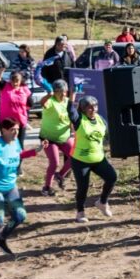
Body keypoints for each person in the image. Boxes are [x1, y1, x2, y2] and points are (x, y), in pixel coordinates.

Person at [0, 119, 42, 265]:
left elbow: (19, 155)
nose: (16, 132)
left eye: (17, 129)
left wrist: (36, 150)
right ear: (3, 130)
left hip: (10, 186)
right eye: (12, 129)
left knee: (20, 216)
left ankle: (0, 239)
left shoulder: (15, 142)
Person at [69, 95, 117, 223]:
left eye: (95, 106)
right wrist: (71, 98)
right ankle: (80, 212)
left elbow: (108, 135)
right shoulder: (79, 119)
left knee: (112, 177)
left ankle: (102, 202)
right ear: (83, 109)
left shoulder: (100, 119)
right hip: (80, 160)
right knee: (83, 187)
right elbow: (70, 111)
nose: (93, 109)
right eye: (89, 107)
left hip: (98, 159)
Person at [39, 80, 76, 196]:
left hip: (64, 136)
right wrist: (48, 95)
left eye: (64, 91)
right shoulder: (51, 101)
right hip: (48, 138)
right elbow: (42, 102)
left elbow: (70, 115)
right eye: (60, 91)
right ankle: (47, 187)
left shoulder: (66, 101)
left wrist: (73, 130)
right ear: (54, 92)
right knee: (54, 162)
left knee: (75, 156)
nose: (63, 94)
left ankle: (60, 176)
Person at [0, 71, 32, 171]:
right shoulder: (5, 86)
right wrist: (2, 68)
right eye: (13, 80)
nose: (15, 83)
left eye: (17, 81)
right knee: (5, 144)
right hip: (6, 122)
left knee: (19, 145)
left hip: (20, 122)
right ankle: (6, 165)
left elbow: (30, 104)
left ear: (21, 81)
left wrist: (22, 111)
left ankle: (18, 167)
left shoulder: (25, 90)